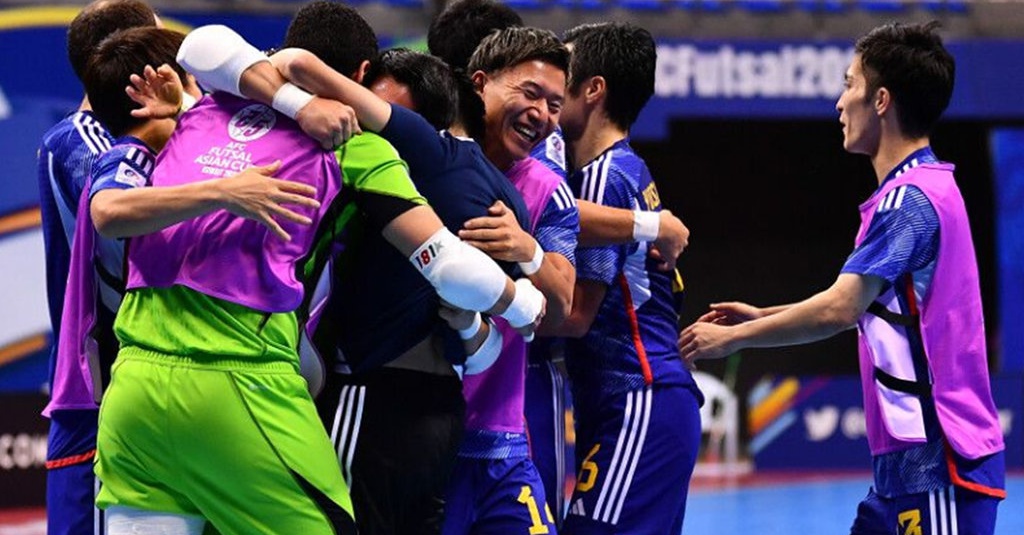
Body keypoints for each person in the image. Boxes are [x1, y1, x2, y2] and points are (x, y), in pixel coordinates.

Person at [170, 7, 546, 534]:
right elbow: (481, 348)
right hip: (426, 411)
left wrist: (513, 296)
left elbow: (451, 271)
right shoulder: (503, 195)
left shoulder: (387, 148)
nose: (358, 115)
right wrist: (512, 289)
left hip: (355, 394)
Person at [680, 21, 1005, 535]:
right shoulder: (923, 187)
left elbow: (841, 308)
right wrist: (766, 314)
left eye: (848, 83)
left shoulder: (909, 201)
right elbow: (869, 306)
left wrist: (735, 337)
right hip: (902, 469)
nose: (838, 102)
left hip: (937, 465)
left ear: (880, 100)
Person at [548, 23, 703, 534]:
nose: (548, 89)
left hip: (639, 398)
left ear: (592, 90)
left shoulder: (604, 178)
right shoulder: (622, 170)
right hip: (628, 401)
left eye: (560, 76)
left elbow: (574, 315)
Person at [36, 2, 158, 533]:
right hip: (101, 389)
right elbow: (124, 262)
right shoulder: (83, 144)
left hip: (135, 390)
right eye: (157, 44)